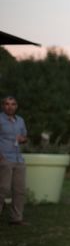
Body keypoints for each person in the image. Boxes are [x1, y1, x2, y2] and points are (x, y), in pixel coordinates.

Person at [0, 96, 28, 226]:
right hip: (4, 158)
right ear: (3, 106)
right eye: (7, 104)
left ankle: (16, 218)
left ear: (16, 106)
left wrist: (23, 139)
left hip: (18, 159)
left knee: (19, 190)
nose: (10, 106)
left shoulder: (20, 120)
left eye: (13, 104)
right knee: (2, 189)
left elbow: (24, 137)